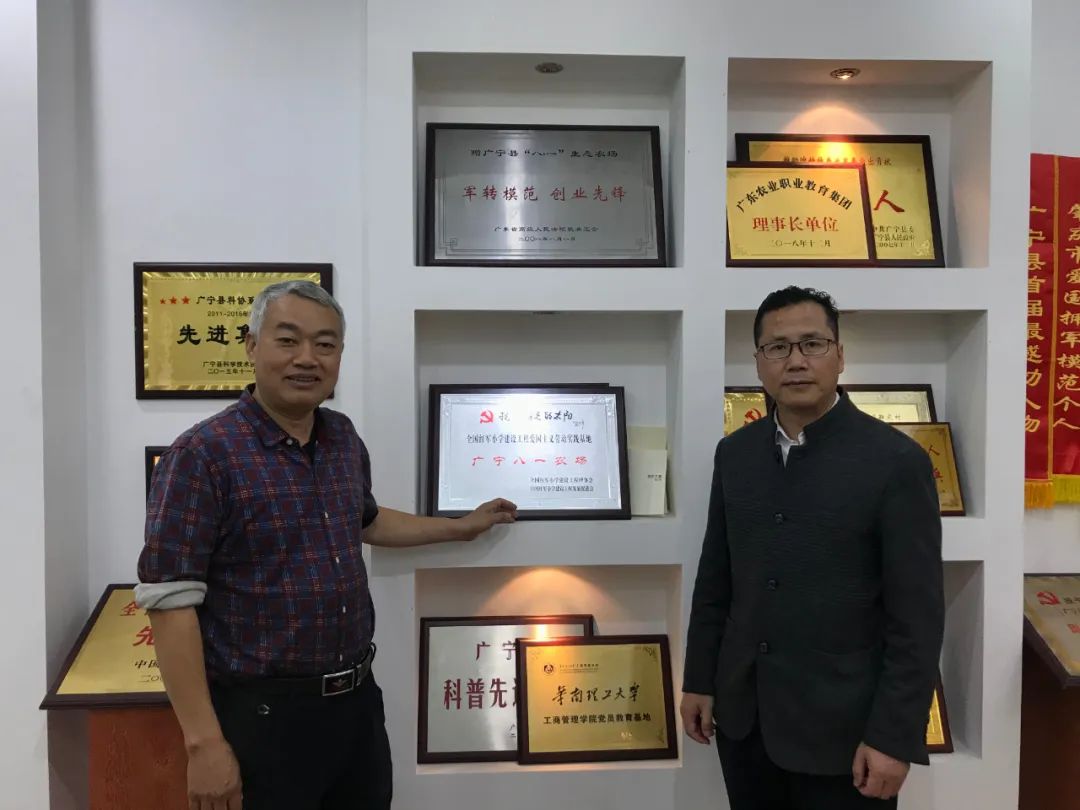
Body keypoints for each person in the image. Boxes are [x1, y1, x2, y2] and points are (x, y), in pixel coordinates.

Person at [136, 280, 517, 810]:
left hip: (355, 707)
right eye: (287, 340)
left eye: (325, 344)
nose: (307, 358)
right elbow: (170, 601)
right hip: (260, 718)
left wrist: (459, 527)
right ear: (251, 346)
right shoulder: (203, 455)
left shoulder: (341, 437)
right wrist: (203, 744)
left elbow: (366, 521)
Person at [680, 286, 944, 809]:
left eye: (813, 344)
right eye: (777, 347)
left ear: (840, 355)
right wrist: (699, 680)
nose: (796, 361)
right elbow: (716, 581)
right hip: (746, 721)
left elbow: (917, 616)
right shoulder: (735, 455)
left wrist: (894, 737)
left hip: (845, 733)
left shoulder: (896, 462)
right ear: (759, 362)